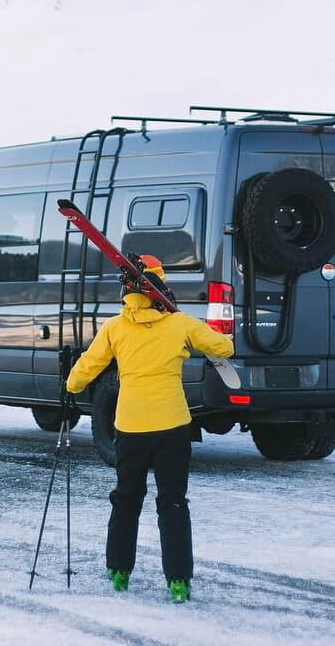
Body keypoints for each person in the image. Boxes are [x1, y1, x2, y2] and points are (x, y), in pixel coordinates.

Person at [65, 253, 235, 604]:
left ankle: (119, 571)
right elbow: (224, 347)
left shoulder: (115, 328)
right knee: (172, 502)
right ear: (160, 287)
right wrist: (188, 333)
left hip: (131, 428)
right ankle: (178, 581)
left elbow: (86, 369)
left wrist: (70, 385)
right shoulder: (180, 324)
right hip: (173, 427)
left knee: (126, 499)